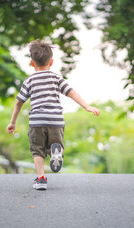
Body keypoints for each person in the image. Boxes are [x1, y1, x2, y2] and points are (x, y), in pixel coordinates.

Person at [7, 39, 100, 190]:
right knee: (56, 144)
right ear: (51, 62)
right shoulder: (56, 78)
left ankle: (41, 179)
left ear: (32, 63)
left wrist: (12, 122)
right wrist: (86, 106)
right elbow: (71, 93)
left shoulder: (29, 80)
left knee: (37, 150)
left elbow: (19, 102)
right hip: (56, 120)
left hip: (37, 121)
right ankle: (57, 152)